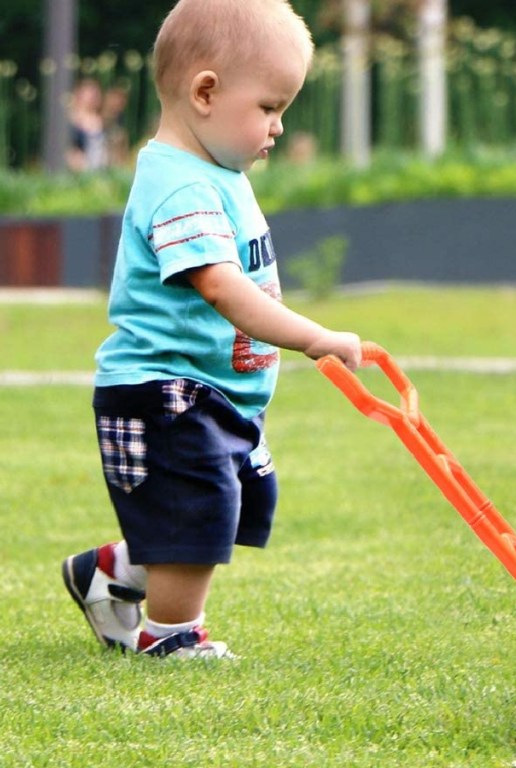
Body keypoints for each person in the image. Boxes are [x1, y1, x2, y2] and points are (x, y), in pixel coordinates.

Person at [61, 0, 362, 659]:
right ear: (206, 92)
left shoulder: (216, 174)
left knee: (233, 507)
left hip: (212, 394)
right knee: (196, 512)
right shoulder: (179, 187)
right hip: (164, 393)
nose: (278, 127)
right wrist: (313, 336)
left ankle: (111, 571)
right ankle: (170, 638)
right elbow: (223, 287)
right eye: (269, 107)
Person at [66, 78, 108, 172]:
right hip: (78, 166)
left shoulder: (100, 118)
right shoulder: (71, 118)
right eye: (89, 93)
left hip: (99, 164)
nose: (92, 97)